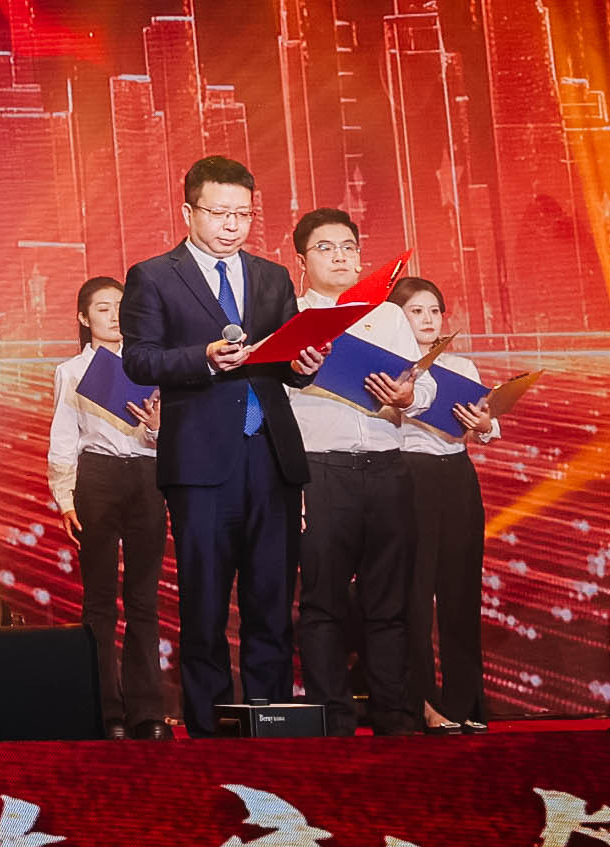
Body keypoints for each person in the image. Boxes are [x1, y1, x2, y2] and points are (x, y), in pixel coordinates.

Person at [120, 155, 306, 732]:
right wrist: (201, 358)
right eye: (219, 212)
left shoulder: (273, 277)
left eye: (243, 214)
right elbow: (139, 359)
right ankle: (209, 727)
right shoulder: (154, 275)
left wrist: (305, 364)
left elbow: (290, 364)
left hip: (270, 455)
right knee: (204, 601)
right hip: (200, 463)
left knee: (271, 599)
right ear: (188, 211)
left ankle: (271, 721)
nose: (232, 224)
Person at [280, 207, 418, 734]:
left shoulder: (389, 316)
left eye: (348, 247)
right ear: (301, 261)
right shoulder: (289, 318)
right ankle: (333, 722)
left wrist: (408, 395)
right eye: (325, 247)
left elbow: (421, 385)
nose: (340, 256)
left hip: (386, 466)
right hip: (320, 471)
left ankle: (395, 718)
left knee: (390, 603)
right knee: (322, 604)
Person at [45, 276, 166, 737]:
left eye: (121, 306)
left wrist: (156, 426)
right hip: (96, 477)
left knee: (143, 598)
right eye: (102, 308)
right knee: (98, 601)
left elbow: (167, 439)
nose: (114, 316)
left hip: (147, 476)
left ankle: (147, 712)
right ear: (83, 317)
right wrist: (65, 498)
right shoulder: (72, 370)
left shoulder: (152, 366)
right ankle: (106, 712)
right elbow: (64, 437)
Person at [382, 275, 501, 731]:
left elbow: (482, 425)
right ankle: (422, 704)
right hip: (408, 474)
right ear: (395, 317)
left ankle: (464, 703)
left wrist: (486, 424)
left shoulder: (460, 366)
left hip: (457, 475)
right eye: (416, 311)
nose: (428, 319)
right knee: (414, 595)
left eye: (434, 310)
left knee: (461, 591)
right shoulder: (387, 368)